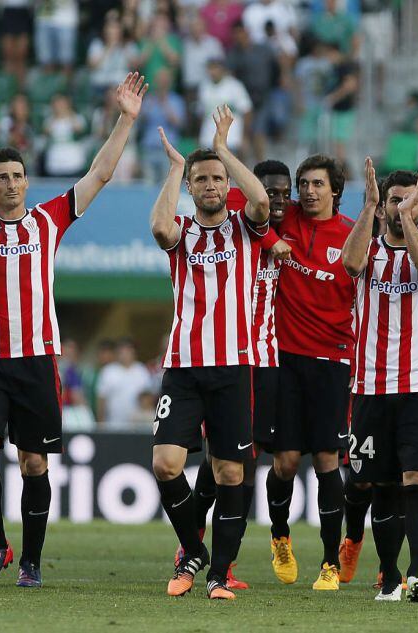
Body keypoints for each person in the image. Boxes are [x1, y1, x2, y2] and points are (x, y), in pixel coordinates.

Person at [0, 69, 147, 588]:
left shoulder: (48, 220)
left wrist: (124, 121)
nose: (13, 184)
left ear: (25, 181)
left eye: (19, 176)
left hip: (38, 361)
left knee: (34, 463)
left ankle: (32, 562)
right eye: (4, 177)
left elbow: (100, 174)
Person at [150, 105, 270, 601]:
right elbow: (159, 228)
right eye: (201, 179)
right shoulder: (183, 232)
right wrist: (176, 169)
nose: (211, 185)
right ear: (192, 187)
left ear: (227, 183)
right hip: (183, 367)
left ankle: (218, 575)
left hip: (232, 367)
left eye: (217, 178)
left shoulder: (245, 227)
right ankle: (192, 550)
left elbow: (261, 201)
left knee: (230, 474)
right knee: (165, 465)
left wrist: (223, 148)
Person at [177, 160, 292, 590]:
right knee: (220, 461)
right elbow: (256, 204)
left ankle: (227, 562)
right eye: (269, 191)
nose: (278, 199)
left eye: (285, 193)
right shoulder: (241, 226)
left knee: (246, 463)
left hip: (269, 364)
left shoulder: (284, 230)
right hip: (230, 359)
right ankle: (193, 545)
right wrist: (224, 152)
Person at [342, 162, 418, 602]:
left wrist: (406, 221)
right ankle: (388, 577)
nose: (400, 206)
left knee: (417, 475)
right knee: (380, 484)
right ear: (382, 203)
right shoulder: (367, 250)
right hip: (370, 387)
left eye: (409, 200)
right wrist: (369, 205)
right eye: (394, 199)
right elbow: (349, 264)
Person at [265, 153, 354, 590]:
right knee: (283, 463)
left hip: (333, 361)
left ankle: (329, 563)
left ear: (335, 189)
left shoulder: (353, 234)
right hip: (284, 358)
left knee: (326, 461)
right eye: (304, 183)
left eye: (317, 184)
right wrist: (223, 147)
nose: (307, 191)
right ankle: (280, 537)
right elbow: (247, 199)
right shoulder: (286, 218)